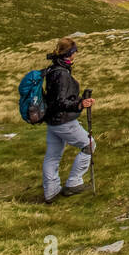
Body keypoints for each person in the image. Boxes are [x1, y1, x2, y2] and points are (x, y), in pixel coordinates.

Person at [41, 37, 96, 204]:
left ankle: (50, 192)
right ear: (69, 53)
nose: (75, 55)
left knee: (52, 156)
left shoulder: (53, 70)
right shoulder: (61, 73)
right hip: (64, 121)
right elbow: (61, 101)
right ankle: (74, 183)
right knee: (89, 145)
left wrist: (78, 101)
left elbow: (57, 98)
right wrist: (80, 104)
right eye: (74, 52)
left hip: (53, 121)